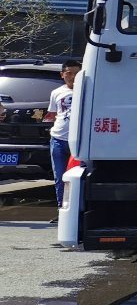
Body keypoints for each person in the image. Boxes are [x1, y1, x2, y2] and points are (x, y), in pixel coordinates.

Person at [48, 59, 81, 207]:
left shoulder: (87, 91)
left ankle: (78, 210)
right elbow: (53, 114)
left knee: (79, 177)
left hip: (80, 141)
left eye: (77, 73)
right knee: (60, 176)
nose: (73, 76)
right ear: (62, 74)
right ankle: (62, 207)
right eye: (69, 73)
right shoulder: (56, 93)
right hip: (58, 139)